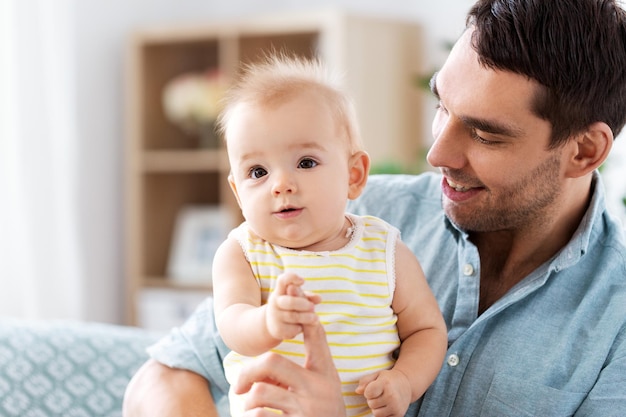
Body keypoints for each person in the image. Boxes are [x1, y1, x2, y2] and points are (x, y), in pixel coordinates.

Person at [123, 0, 626, 416]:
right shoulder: (343, 214)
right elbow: (163, 379)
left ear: (584, 151)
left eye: (485, 133)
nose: (437, 156)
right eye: (441, 107)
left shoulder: (615, 324)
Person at [211, 55, 447, 417]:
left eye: (305, 162)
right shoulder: (242, 252)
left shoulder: (384, 250)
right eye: (257, 171)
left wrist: (404, 380)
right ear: (238, 193)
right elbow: (232, 323)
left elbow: (427, 331)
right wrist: (268, 321)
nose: (281, 185)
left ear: (354, 175)